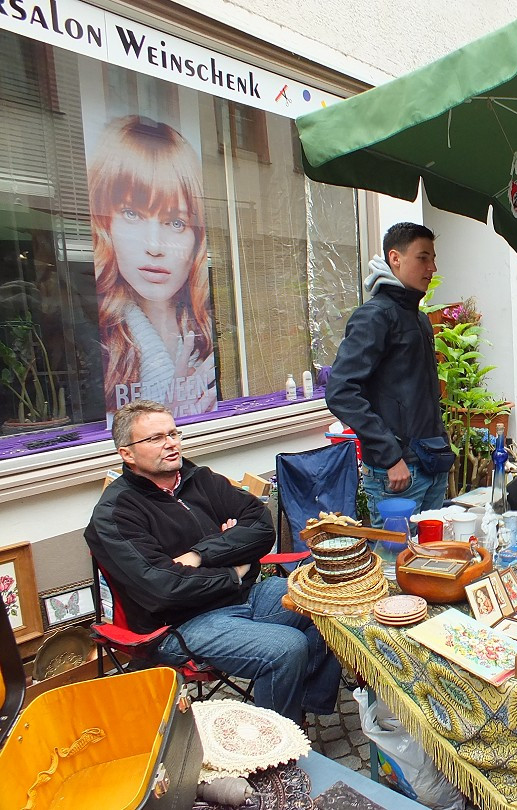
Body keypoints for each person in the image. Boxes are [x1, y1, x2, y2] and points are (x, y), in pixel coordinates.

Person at [85, 400, 341, 723]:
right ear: (127, 454)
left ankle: (298, 713)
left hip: (245, 596)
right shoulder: (116, 514)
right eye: (155, 438)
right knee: (286, 647)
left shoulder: (197, 479)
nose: (171, 443)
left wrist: (201, 555)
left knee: (326, 601)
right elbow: (163, 587)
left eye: (173, 433)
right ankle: (271, 757)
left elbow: (262, 526)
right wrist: (233, 571)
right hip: (181, 625)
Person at [89, 115, 217, 419]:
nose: (155, 246)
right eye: (132, 214)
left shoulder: (206, 334)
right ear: (106, 224)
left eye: (176, 222)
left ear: (197, 236)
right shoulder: (98, 341)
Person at [326, 223, 448, 527]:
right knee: (397, 568)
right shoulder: (375, 316)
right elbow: (341, 391)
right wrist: (390, 456)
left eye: (433, 258)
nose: (432, 267)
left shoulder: (418, 318)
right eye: (423, 258)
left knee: (434, 564)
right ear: (395, 258)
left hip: (431, 464)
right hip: (397, 474)